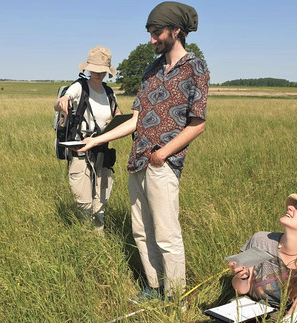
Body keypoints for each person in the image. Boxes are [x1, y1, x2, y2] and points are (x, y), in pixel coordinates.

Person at [78, 2, 209, 298]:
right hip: (136, 162)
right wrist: (98, 139)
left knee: (167, 235)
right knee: (141, 231)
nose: (152, 40)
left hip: (163, 164)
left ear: (176, 30)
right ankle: (153, 287)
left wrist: (163, 154)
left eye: (156, 33)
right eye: (149, 33)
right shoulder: (151, 69)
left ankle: (175, 298)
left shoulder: (195, 67)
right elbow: (136, 117)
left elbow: (197, 123)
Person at [228, 194, 297, 319]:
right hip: (247, 306)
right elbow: (241, 290)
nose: (290, 207)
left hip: (283, 316)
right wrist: (242, 277)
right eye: (293, 206)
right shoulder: (261, 240)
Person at [54, 46, 121, 231]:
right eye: (95, 69)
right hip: (81, 151)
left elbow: (118, 113)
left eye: (102, 71)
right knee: (83, 203)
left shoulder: (109, 93)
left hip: (103, 152)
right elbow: (59, 103)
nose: (98, 74)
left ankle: (98, 236)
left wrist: (116, 119)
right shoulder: (79, 87)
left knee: (101, 200)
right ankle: (84, 236)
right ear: (89, 68)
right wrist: (62, 102)